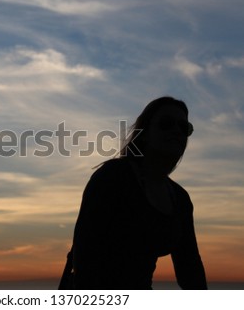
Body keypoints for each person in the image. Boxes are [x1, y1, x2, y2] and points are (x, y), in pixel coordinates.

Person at [59, 96, 207, 289]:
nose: (176, 131)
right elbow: (85, 254)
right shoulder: (113, 177)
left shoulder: (179, 198)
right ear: (144, 133)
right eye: (166, 124)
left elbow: (190, 268)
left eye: (184, 128)